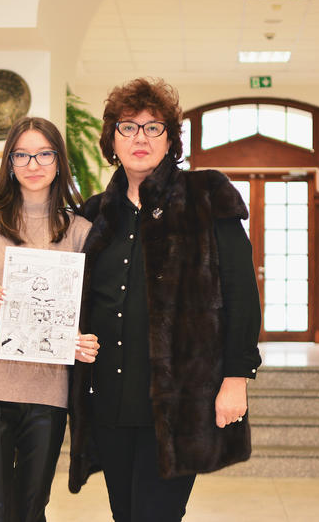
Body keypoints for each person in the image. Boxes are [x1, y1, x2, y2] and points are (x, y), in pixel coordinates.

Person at [68, 78, 262, 522]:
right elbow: (74, 301)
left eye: (153, 128)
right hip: (109, 400)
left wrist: (237, 376)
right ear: (111, 141)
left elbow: (240, 294)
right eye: (128, 128)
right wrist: (71, 338)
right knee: (125, 514)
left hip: (180, 401)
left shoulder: (206, 197)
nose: (140, 138)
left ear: (171, 140)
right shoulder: (93, 216)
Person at [0, 116, 100, 522]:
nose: (33, 163)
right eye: (23, 154)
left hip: (46, 393)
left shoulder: (79, 230)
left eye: (44, 154)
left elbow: (87, 309)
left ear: (59, 162)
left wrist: (83, 340)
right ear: (9, 162)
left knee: (30, 511)